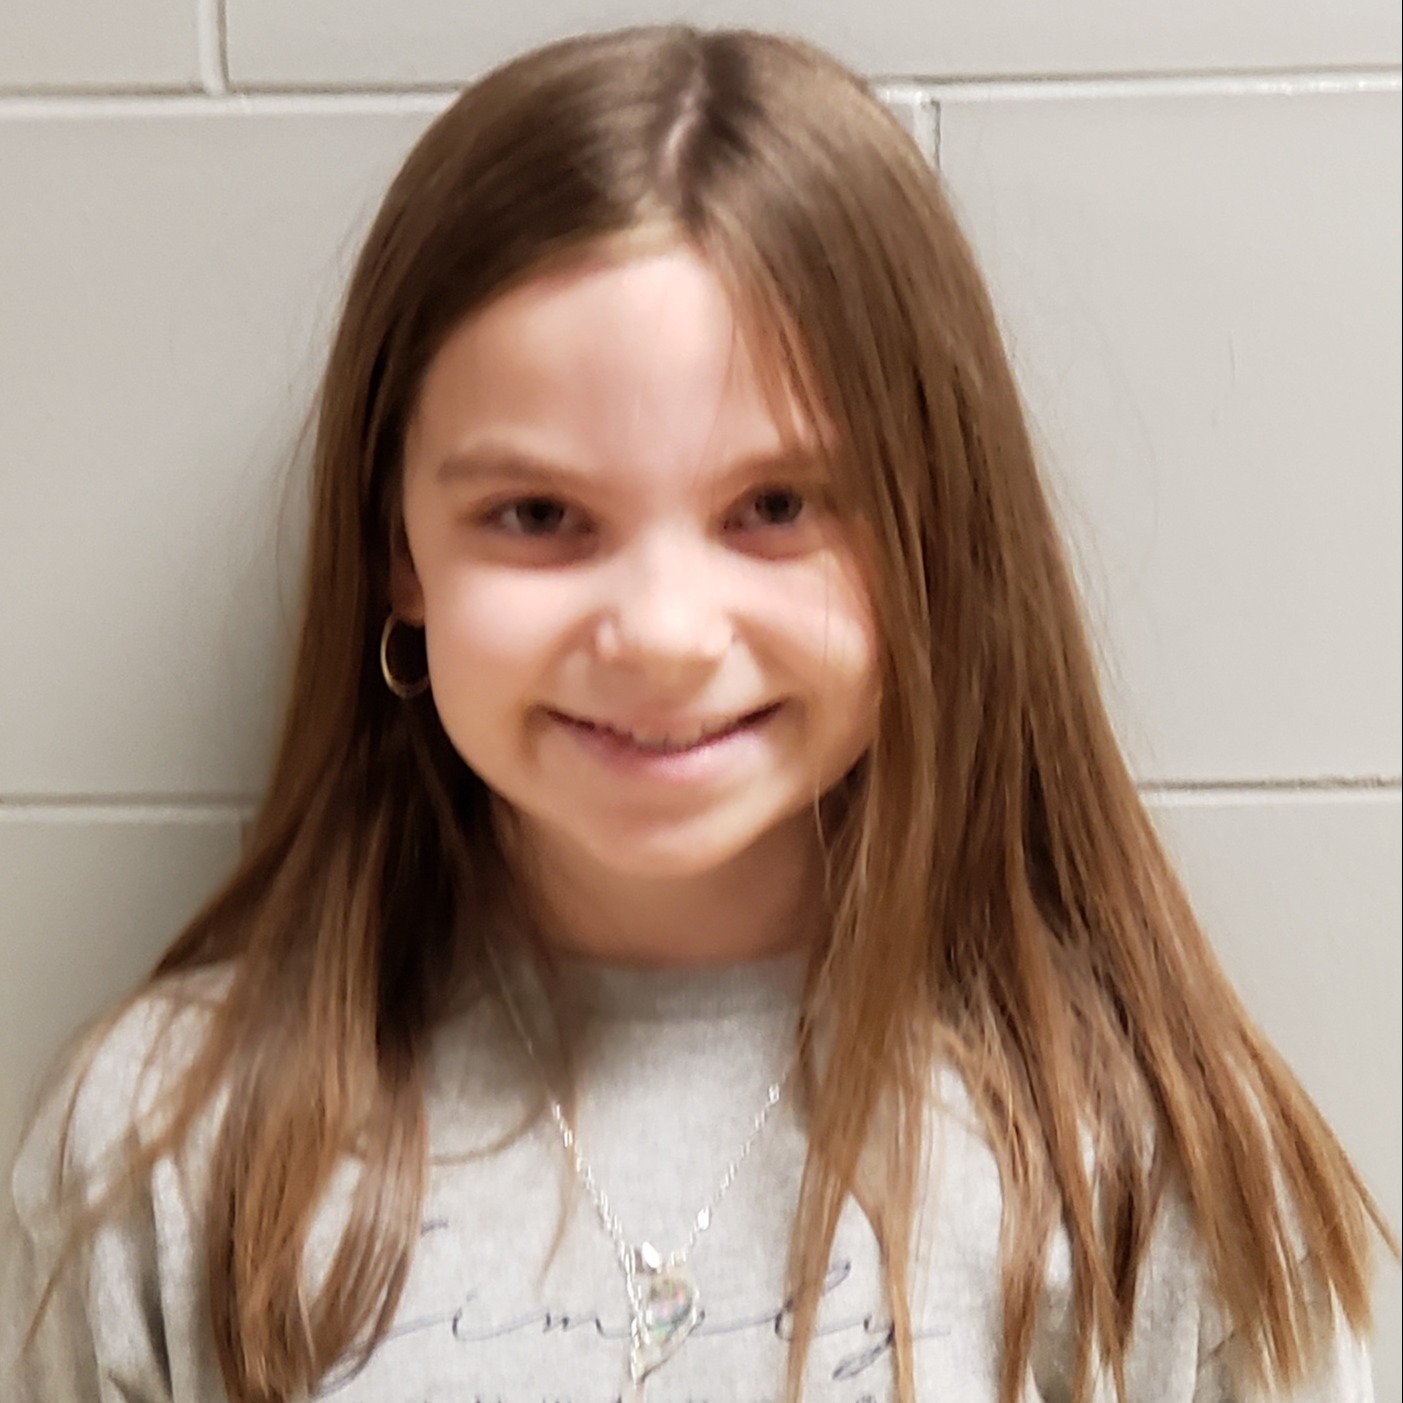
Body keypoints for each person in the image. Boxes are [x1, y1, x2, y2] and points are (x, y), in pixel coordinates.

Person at [1, 24, 1395, 1403]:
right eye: (538, 514)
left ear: (932, 536)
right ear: (399, 552)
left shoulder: (1146, 1170)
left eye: (775, 506)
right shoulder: (163, 1152)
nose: (664, 636)